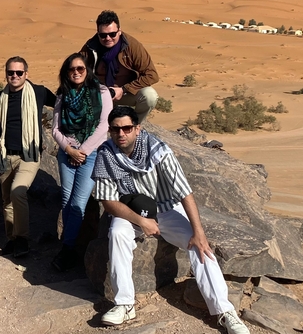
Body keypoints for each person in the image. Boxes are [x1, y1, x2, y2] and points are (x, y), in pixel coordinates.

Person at [93, 106, 249, 334]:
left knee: (200, 247)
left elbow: (184, 191)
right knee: (117, 233)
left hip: (165, 208)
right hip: (130, 212)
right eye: (115, 129)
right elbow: (108, 202)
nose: (121, 134)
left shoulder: (157, 150)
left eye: (127, 128)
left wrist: (199, 232)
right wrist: (141, 221)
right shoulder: (106, 154)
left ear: (137, 128)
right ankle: (125, 304)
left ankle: (225, 312)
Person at [0, 56, 56, 258]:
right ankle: (12, 240)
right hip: (7, 155)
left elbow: (62, 102)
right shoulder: (0, 97)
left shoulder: (38, 92)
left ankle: (22, 239)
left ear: (26, 74)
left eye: (19, 72)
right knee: (7, 200)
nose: (14, 76)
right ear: (6, 74)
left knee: (18, 192)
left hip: (29, 155)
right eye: (10, 72)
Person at [50, 53, 112, 271]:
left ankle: (67, 248)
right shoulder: (63, 94)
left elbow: (104, 126)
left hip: (91, 153)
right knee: (67, 200)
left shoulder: (102, 92)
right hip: (67, 153)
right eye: (71, 69)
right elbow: (55, 128)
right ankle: (69, 248)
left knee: (78, 202)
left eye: (80, 69)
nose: (76, 72)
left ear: (88, 70)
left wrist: (82, 151)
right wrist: (69, 149)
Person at [80, 10, 158, 123]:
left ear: (119, 31)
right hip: (99, 94)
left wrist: (124, 89)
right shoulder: (90, 47)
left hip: (126, 93)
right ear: (98, 34)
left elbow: (152, 75)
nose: (108, 38)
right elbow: (75, 69)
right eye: (103, 35)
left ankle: (132, 125)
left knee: (150, 96)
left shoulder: (132, 46)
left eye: (112, 34)